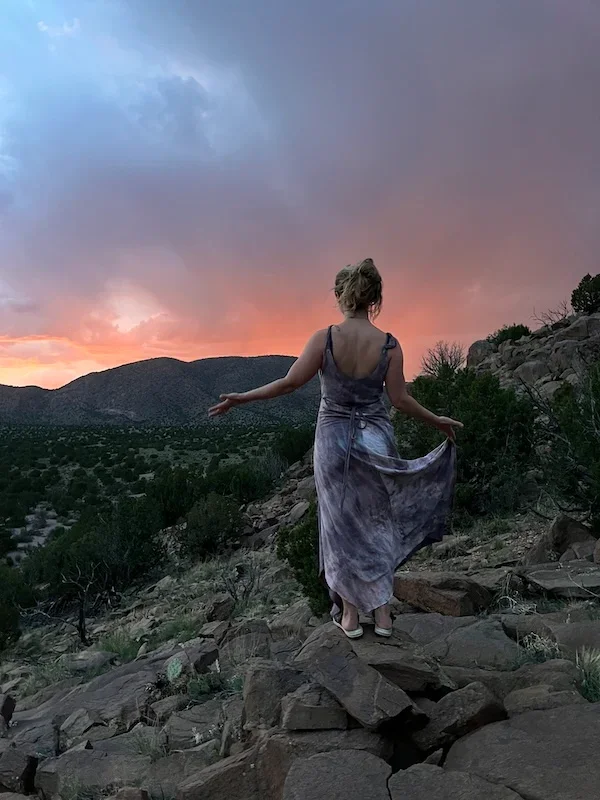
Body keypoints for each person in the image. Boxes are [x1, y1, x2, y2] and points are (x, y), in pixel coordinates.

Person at [209, 258, 462, 639]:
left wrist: (241, 398)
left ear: (342, 297)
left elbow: (288, 384)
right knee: (377, 524)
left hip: (333, 442)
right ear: (374, 298)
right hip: (376, 439)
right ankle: (383, 615)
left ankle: (348, 615)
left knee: (340, 526)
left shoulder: (324, 338)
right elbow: (401, 400)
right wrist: (438, 420)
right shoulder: (390, 345)